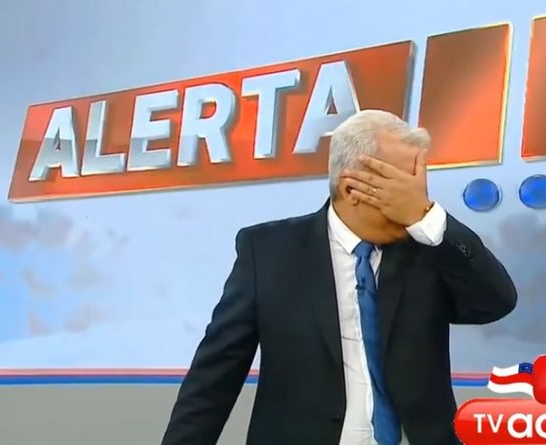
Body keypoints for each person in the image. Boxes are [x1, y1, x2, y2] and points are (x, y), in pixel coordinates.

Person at [161, 110, 517, 445]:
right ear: (351, 188)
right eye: (401, 184)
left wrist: (429, 216)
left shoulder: (429, 248)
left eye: (418, 184)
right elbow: (214, 378)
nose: (414, 197)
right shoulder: (268, 251)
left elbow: (496, 302)